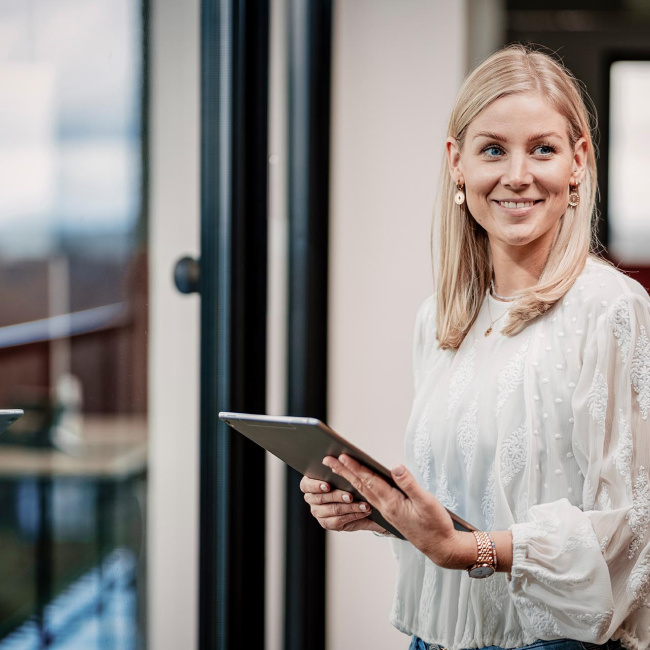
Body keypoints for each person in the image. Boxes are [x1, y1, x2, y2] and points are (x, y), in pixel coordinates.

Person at [300, 44, 650, 650]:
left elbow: (632, 530)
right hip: (434, 641)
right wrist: (382, 510)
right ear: (457, 163)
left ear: (578, 162)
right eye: (493, 149)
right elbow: (470, 496)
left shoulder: (612, 309)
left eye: (543, 148)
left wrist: (468, 551)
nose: (518, 174)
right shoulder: (440, 320)